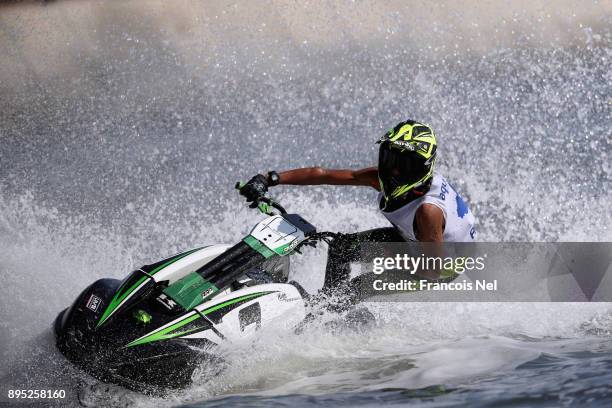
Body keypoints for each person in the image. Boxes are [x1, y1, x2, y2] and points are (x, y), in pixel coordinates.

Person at [238, 119, 476, 296]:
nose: (393, 171)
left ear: (422, 169)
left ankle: (332, 317)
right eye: (391, 159)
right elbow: (324, 174)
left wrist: (389, 255)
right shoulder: (383, 178)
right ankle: (326, 307)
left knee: (357, 287)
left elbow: (431, 271)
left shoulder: (428, 212)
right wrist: (270, 178)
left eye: (403, 165)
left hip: (440, 267)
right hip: (417, 242)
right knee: (341, 248)